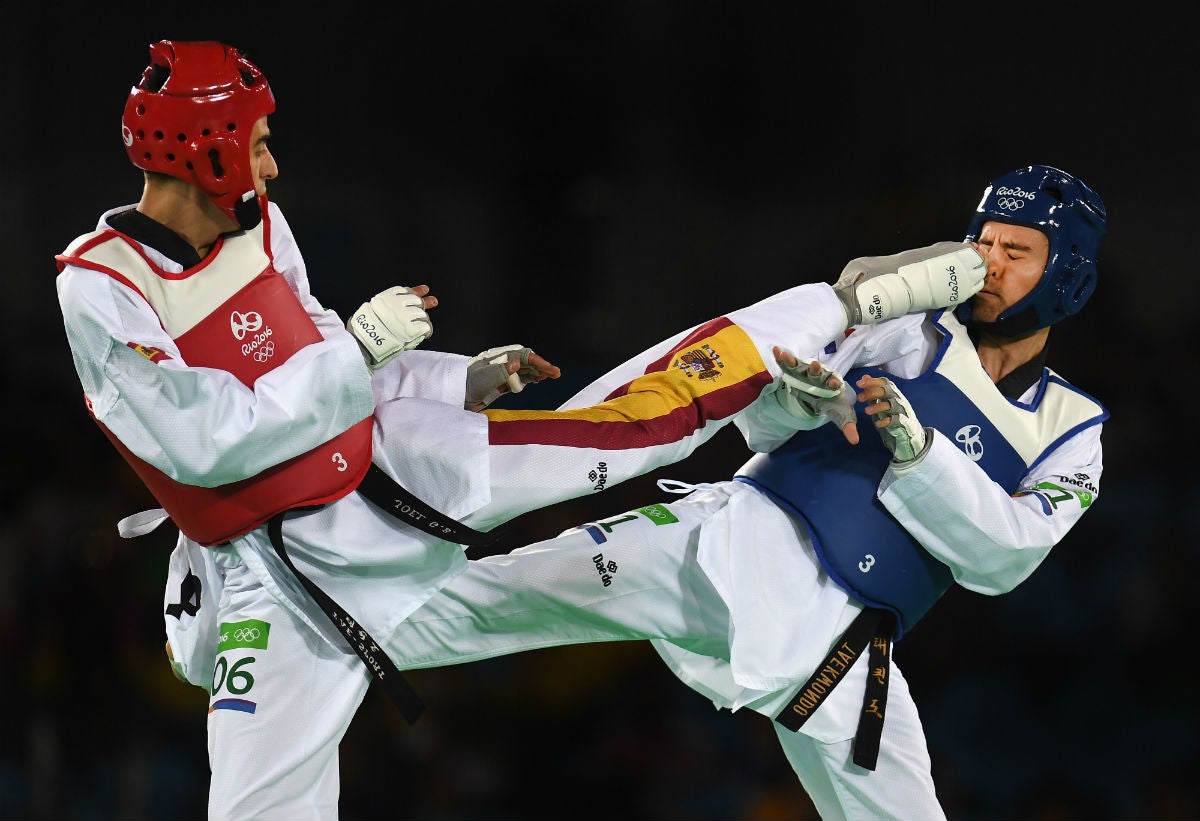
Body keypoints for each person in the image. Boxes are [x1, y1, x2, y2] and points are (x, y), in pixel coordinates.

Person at [53, 40, 983, 819]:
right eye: (256, 145)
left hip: (393, 461)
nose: (271, 166)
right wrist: (359, 349)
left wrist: (457, 379)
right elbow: (201, 439)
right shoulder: (101, 283)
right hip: (274, 578)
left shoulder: (262, 224)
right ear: (207, 150)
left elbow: (325, 359)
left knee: (629, 430)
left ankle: (843, 298)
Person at [375, 163, 1108, 820]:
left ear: (1066, 274)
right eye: (983, 241)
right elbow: (763, 424)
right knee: (479, 600)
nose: (988, 264)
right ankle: (296, 620)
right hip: (720, 541)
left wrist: (920, 453)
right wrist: (795, 401)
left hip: (839, 647)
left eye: (1016, 253)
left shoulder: (1072, 428)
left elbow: (1008, 557)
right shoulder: (907, 322)